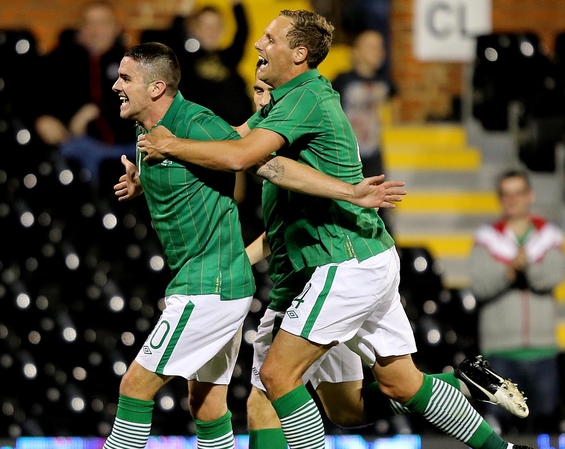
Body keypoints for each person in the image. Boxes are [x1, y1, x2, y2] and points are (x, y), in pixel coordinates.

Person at [138, 11, 532, 449]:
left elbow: (242, 156)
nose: (258, 48)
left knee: (275, 379)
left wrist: (169, 145)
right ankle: (485, 419)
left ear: (299, 54)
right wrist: (158, 168)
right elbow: (247, 158)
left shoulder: (301, 101)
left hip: (344, 265)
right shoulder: (282, 112)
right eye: (255, 89)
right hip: (327, 271)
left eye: (269, 40)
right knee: (369, 399)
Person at [106, 42, 405, 449]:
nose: (115, 86)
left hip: (209, 284)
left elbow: (267, 164)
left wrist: (349, 192)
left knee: (134, 386)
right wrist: (145, 180)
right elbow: (185, 170)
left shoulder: (198, 126)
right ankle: (445, 388)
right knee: (207, 404)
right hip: (212, 280)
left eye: (125, 79)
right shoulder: (147, 126)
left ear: (157, 87)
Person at [470, 169, 565, 433]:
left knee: (545, 428)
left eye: (518, 193)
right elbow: (480, 285)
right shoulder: (487, 238)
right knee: (498, 428)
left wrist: (525, 267)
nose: (512, 199)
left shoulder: (549, 235)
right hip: (500, 351)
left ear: (530, 196)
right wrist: (510, 270)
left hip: (543, 350)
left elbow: (552, 276)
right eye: (506, 194)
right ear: (500, 198)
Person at [35, 0, 135, 185]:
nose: (95, 30)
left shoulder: (133, 62)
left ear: (115, 28)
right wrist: (42, 118)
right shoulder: (61, 60)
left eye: (102, 23)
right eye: (90, 23)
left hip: (128, 145)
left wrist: (95, 111)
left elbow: (142, 104)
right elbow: (35, 96)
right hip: (82, 145)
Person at [142, 0, 252, 126]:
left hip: (233, 131)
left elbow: (243, 32)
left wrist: (237, 5)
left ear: (222, 29)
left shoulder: (229, 58)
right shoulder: (186, 58)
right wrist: (184, 9)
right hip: (201, 133)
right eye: (205, 25)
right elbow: (174, 34)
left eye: (216, 25)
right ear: (195, 29)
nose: (211, 30)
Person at [332, 29, 397, 179]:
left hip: (373, 151)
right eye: (371, 47)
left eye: (380, 47)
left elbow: (395, 99)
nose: (378, 51)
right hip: (345, 152)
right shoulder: (342, 80)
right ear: (356, 51)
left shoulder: (385, 81)